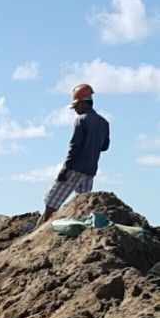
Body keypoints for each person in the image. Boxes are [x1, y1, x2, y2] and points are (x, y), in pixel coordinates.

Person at [38, 84, 110, 225]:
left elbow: (74, 147)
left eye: (76, 106)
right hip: (90, 171)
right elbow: (105, 147)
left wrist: (64, 170)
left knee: (52, 200)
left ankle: (44, 228)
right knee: (82, 204)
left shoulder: (81, 120)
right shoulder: (104, 123)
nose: (75, 109)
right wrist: (92, 146)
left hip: (75, 168)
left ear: (83, 103)